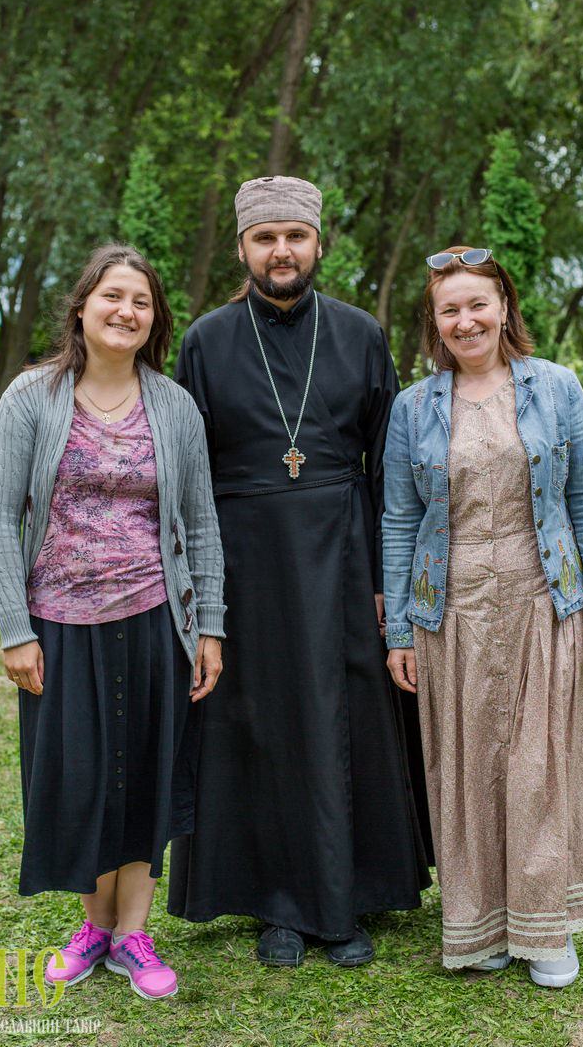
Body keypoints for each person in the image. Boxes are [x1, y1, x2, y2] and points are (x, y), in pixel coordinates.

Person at [168, 175, 432, 968]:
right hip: (245, 557)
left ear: (318, 243)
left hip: (344, 550)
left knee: (345, 718)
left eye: (294, 236)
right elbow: (187, 475)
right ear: (242, 248)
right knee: (261, 721)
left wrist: (387, 579)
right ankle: (275, 903)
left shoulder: (359, 333)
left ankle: (346, 899)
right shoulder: (205, 342)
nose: (280, 251)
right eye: (265, 238)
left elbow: (389, 468)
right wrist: (199, 589)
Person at [0, 243, 225, 1001]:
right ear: (82, 306)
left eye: (141, 302)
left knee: (148, 773)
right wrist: (15, 629)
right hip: (58, 623)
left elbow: (201, 522)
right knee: (80, 776)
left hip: (156, 619)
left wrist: (209, 624)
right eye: (113, 296)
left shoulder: (174, 406)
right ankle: (94, 926)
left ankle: (133, 935)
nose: (126, 311)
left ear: (155, 319)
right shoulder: (31, 397)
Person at [382, 245, 583, 988]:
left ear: (503, 308)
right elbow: (399, 519)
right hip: (450, 606)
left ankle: (545, 926)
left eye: (477, 304)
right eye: (449, 309)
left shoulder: (554, 387)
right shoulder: (413, 407)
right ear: (434, 322)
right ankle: (479, 923)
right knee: (466, 767)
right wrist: (400, 628)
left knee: (536, 764)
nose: (466, 320)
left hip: (540, 596)